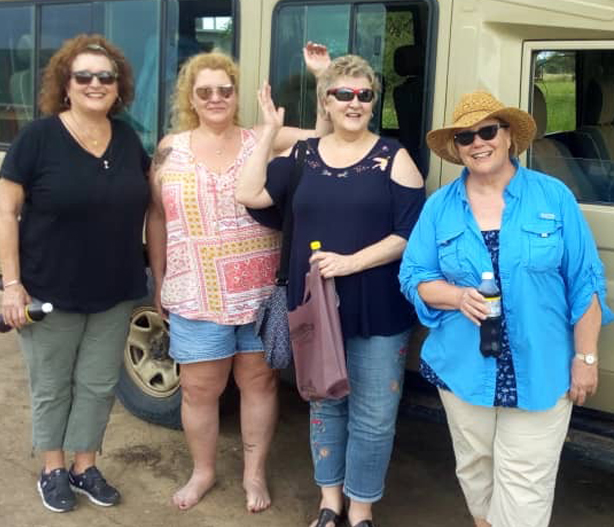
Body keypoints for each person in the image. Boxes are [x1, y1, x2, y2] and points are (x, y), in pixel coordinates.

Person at [398, 91, 614, 527]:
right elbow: (413, 276)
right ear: (457, 148)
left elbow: (586, 282)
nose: (478, 143)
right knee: (475, 471)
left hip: (542, 367)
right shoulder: (440, 207)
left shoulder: (553, 197)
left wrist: (586, 357)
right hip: (463, 369)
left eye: (487, 131)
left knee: (525, 487)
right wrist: (456, 296)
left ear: (508, 136)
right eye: (465, 137)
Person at [237, 54, 425, 527]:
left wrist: (350, 262)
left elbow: (411, 234)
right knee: (325, 404)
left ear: (373, 102)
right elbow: (249, 193)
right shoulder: (303, 155)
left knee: (374, 415)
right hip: (317, 310)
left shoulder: (394, 157)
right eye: (343, 94)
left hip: (379, 309)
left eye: (364, 95)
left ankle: (361, 509)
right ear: (326, 101)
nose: (354, 103)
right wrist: (268, 132)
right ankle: (330, 502)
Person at [146, 44, 330, 513]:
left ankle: (253, 473)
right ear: (190, 97)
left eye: (224, 90)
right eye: (205, 91)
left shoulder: (264, 137)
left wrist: (322, 78)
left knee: (259, 383)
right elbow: (158, 216)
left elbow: (326, 138)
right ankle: (203, 471)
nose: (215, 98)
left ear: (235, 94)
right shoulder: (170, 149)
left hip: (259, 292)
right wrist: (159, 276)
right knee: (199, 389)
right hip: (195, 290)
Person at [0, 34, 150, 513]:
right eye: (83, 76)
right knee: (52, 386)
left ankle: (85, 466)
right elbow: (6, 212)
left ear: (118, 86)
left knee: (99, 384)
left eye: (105, 76)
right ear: (65, 84)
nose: (95, 84)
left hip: (114, 288)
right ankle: (53, 469)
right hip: (48, 288)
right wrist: (10, 285)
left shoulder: (127, 138)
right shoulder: (38, 138)